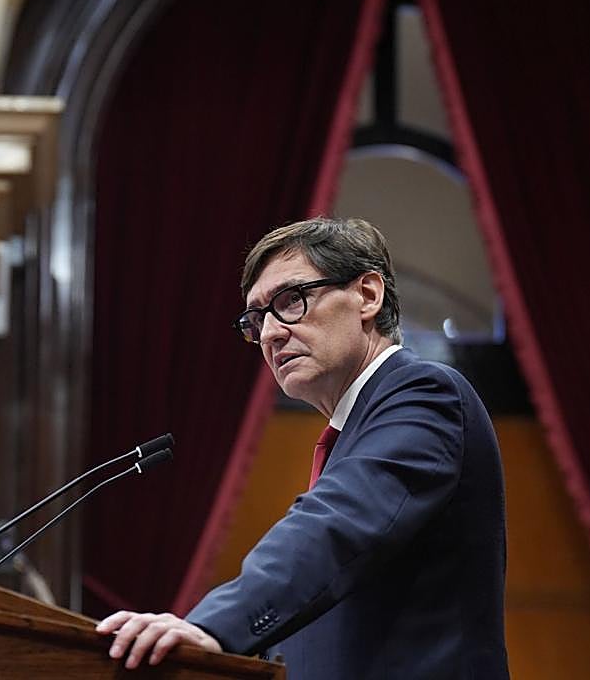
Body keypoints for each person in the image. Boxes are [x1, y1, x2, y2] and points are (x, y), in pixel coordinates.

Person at [97, 217, 509, 679]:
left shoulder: (426, 393)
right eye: (256, 319)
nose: (270, 333)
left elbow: (336, 526)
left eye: (291, 301)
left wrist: (215, 626)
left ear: (368, 296)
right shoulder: (353, 435)